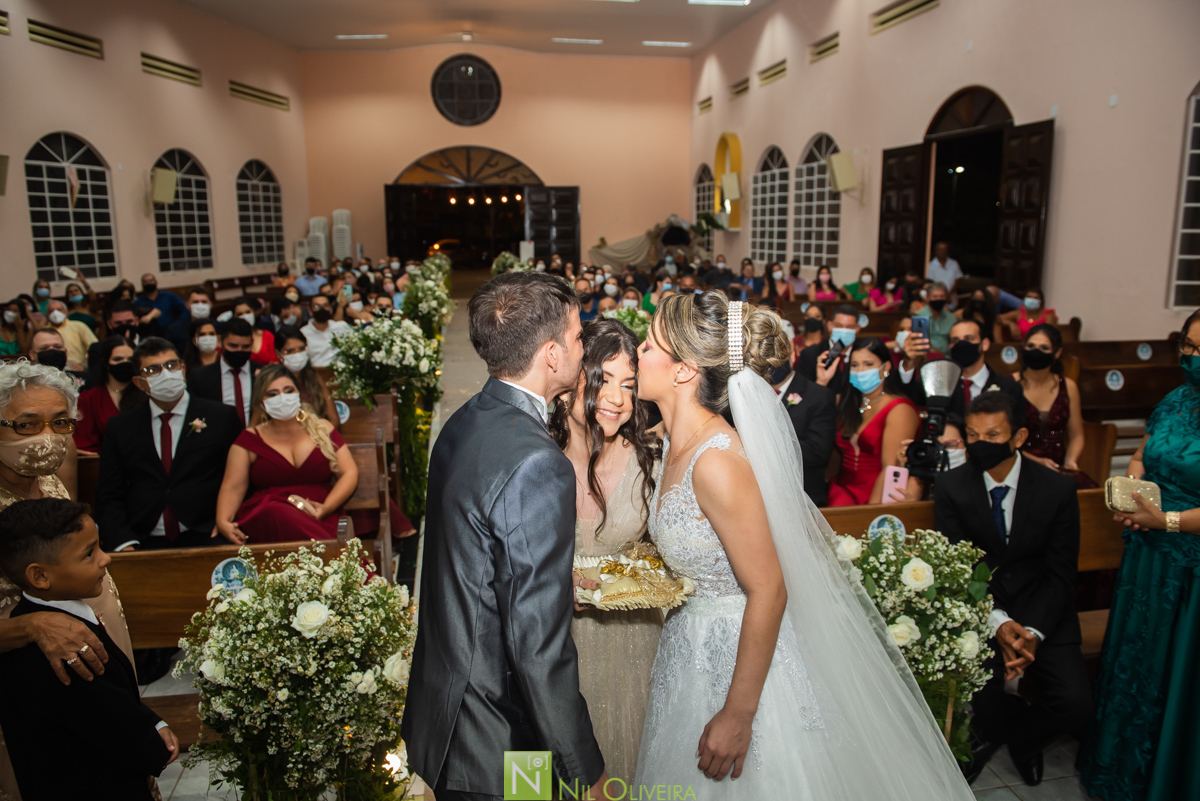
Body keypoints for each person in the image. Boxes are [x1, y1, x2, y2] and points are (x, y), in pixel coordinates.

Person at [633, 290, 974, 799]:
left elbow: (769, 589)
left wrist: (739, 713)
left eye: (648, 344)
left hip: (738, 659)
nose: (636, 351)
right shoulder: (672, 440)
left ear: (684, 370)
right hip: (690, 649)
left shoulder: (717, 463)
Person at [403, 272, 609, 801]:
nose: (584, 347)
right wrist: (580, 766)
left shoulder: (467, 417)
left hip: (446, 709)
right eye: (578, 336)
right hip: (500, 737)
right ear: (551, 355)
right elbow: (536, 643)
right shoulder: (537, 462)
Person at [0, 362, 139, 801]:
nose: (47, 435)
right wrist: (31, 626)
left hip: (90, 667)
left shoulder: (48, 483)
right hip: (28, 685)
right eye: (27, 424)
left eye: (60, 422)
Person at [936, 392, 1090, 787]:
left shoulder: (1056, 489)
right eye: (972, 435)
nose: (979, 444)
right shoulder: (952, 486)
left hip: (1045, 609)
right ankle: (995, 731)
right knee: (985, 704)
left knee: (1075, 703)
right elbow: (960, 569)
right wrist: (999, 623)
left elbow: (1060, 574)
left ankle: (1022, 740)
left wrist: (1033, 633)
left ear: (1019, 437)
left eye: (992, 435)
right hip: (984, 609)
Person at [1078, 310, 1200, 801]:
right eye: (1188, 348)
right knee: (1138, 661)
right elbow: (1142, 455)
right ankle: (1121, 772)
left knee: (1177, 674)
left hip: (1189, 565)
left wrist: (1167, 520)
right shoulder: (1175, 400)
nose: (1193, 359)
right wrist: (1132, 487)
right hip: (1147, 558)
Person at [0, 499, 178, 801]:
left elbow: (114, 701)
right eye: (88, 554)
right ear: (40, 576)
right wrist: (155, 745)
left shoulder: (44, 618)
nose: (105, 559)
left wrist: (153, 721)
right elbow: (111, 722)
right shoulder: (64, 651)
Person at [546, 319, 661, 785]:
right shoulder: (536, 458)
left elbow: (672, 558)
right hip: (556, 654)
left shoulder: (651, 459)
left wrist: (626, 577)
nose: (617, 398)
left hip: (634, 650)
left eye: (629, 385)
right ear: (571, 379)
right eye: (602, 380)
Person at [95, 338, 243, 551]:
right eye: (153, 369)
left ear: (182, 369)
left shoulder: (221, 417)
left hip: (208, 532)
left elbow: (239, 480)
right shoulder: (120, 428)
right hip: (143, 539)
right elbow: (109, 493)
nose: (165, 373)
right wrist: (123, 542)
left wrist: (227, 522)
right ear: (139, 382)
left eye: (171, 365)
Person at [214, 365, 357, 545]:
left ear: (298, 394)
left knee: (324, 531)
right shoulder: (249, 440)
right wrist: (223, 521)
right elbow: (232, 487)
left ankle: (342, 562)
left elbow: (349, 473)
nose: (282, 397)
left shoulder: (322, 428)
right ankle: (351, 565)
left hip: (319, 513)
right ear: (261, 402)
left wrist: (326, 508)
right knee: (276, 511)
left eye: (288, 391)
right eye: (272, 394)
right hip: (270, 518)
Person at [826, 338, 919, 505]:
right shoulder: (847, 402)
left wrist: (871, 512)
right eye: (855, 365)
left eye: (868, 364)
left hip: (876, 493)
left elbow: (891, 468)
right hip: (840, 490)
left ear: (886, 367)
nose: (860, 371)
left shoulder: (899, 409)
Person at [1015, 324, 1095, 487]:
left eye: (1044, 348)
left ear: (1057, 353)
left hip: (1057, 467)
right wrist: (1038, 462)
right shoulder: (1010, 384)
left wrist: (1070, 461)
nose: (1036, 351)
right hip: (1019, 464)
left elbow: (1077, 436)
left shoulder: (1068, 386)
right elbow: (1005, 440)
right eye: (1031, 346)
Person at [899, 317, 1025, 419]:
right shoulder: (936, 382)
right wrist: (908, 363)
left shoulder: (1009, 389)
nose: (961, 345)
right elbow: (907, 398)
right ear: (950, 347)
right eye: (955, 340)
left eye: (969, 339)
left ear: (984, 344)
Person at [770, 361, 836, 506]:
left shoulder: (818, 395)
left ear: (792, 354)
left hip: (801, 495)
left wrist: (767, 447)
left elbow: (818, 451)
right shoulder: (746, 393)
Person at [187, 319, 259, 425]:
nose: (239, 350)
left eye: (245, 347)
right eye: (233, 346)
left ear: (252, 343)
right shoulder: (200, 377)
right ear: (220, 341)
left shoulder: (263, 373)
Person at [74, 336, 135, 453]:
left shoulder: (147, 395)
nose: (125, 363)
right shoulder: (89, 399)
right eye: (118, 359)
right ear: (106, 363)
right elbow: (85, 445)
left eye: (130, 359)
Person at [274, 326, 338, 426]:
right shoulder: (273, 382)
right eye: (290, 351)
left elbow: (334, 419)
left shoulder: (314, 377)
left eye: (301, 349)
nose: (297, 354)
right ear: (278, 354)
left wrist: (320, 437)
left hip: (319, 435)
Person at [797, 304, 862, 395]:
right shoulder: (809, 355)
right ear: (829, 326)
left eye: (850, 327)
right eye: (839, 325)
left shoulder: (863, 354)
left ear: (857, 328)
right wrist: (821, 382)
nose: (844, 331)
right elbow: (801, 394)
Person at [299, 296, 351, 369]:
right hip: (317, 374)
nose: (322, 309)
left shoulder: (341, 327)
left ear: (330, 310)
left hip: (343, 371)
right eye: (317, 306)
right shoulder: (303, 333)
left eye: (325, 305)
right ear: (310, 312)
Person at [43, 299, 97, 367]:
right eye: (51, 311)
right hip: (51, 369)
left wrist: (84, 364)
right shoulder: (43, 332)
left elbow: (94, 346)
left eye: (59, 310)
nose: (55, 313)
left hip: (77, 367)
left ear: (66, 312)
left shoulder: (79, 326)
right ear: (47, 315)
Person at [162, 288, 213, 358]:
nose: (200, 305)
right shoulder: (174, 329)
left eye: (204, 302)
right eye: (195, 302)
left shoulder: (220, 327)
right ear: (187, 305)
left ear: (210, 304)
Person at [913, 282, 956, 353]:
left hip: (947, 358)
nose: (938, 299)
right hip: (925, 357)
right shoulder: (918, 316)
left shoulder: (952, 318)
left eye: (942, 296)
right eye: (935, 296)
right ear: (928, 297)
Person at [230, 297, 276, 364]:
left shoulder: (267, 335)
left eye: (248, 312)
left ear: (254, 313)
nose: (245, 316)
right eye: (240, 314)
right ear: (234, 317)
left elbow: (275, 362)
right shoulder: (232, 340)